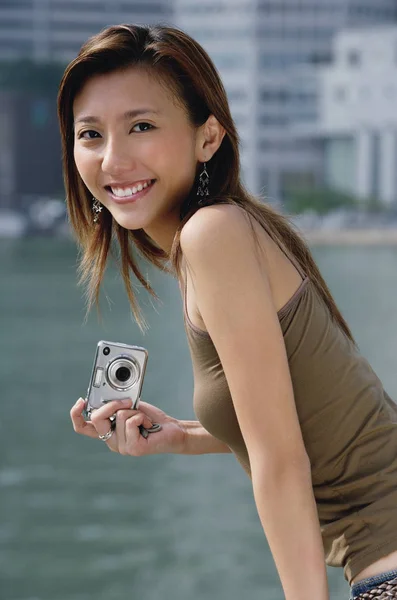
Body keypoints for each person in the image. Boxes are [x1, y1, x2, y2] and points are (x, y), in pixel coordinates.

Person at [61, 23, 397, 600]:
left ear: (208, 137)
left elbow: (282, 459)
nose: (113, 159)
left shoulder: (213, 234)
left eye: (141, 126)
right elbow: (300, 416)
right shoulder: (225, 234)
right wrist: (180, 435)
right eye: (91, 134)